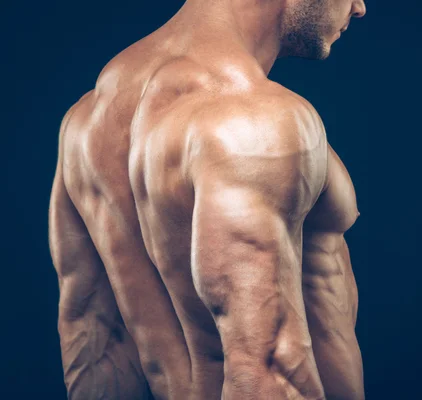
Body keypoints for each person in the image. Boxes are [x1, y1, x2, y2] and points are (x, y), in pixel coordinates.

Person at [48, 0, 366, 398]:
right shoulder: (254, 122)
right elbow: (268, 367)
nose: (359, 7)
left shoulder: (85, 122)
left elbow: (95, 342)